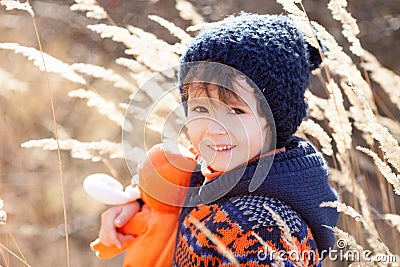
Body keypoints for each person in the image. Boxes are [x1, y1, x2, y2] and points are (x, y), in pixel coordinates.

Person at [98, 13, 339, 266]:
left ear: (276, 119)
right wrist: (143, 207)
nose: (214, 129)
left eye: (236, 110)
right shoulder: (214, 180)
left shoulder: (261, 230)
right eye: (201, 109)